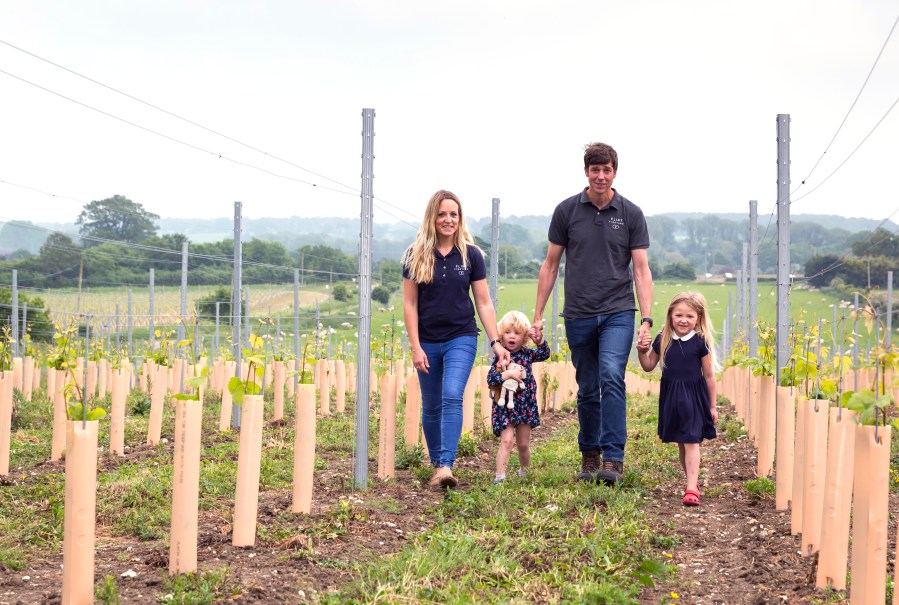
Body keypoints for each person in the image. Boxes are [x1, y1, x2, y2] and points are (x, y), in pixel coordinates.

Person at [532, 142, 653, 485]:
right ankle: (590, 455)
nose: (601, 176)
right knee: (586, 386)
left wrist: (645, 319)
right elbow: (551, 265)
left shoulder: (630, 214)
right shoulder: (567, 211)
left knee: (612, 375)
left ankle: (613, 458)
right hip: (579, 313)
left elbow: (642, 271)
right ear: (586, 172)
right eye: (595, 170)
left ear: (615, 172)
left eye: (607, 170)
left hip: (618, 311)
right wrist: (538, 315)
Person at [403, 189, 510, 488]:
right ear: (432, 218)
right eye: (442, 214)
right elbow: (410, 304)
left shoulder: (471, 255)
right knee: (432, 404)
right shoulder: (416, 255)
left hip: (460, 337)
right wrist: (415, 347)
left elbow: (484, 303)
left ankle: (447, 464)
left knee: (452, 394)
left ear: (460, 219)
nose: (448, 220)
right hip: (426, 340)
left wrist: (496, 342)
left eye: (453, 214)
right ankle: (437, 464)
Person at [636, 292, 719, 506]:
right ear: (670, 316)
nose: (683, 320)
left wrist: (712, 406)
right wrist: (641, 351)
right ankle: (691, 482)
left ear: (699, 318)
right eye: (679, 315)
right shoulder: (663, 339)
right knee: (682, 443)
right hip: (672, 397)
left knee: (692, 440)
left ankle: (691, 487)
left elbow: (709, 376)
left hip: (693, 397)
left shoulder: (701, 342)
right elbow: (648, 366)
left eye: (690, 316)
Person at [486, 311, 551, 485]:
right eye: (507, 332)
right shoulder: (500, 357)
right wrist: (507, 374)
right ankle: (500, 477)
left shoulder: (528, 354)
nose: (512, 336)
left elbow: (545, 354)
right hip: (504, 406)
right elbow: (491, 379)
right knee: (507, 440)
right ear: (501, 335)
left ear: (524, 337)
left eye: (517, 333)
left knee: (523, 444)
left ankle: (525, 472)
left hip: (525, 405)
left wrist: (540, 341)